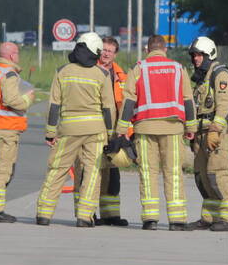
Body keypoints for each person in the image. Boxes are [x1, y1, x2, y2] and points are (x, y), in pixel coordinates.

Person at [116, 35, 198, 231]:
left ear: (147, 49)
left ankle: (150, 219)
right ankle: (177, 220)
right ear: (165, 49)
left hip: (145, 128)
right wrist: (191, 128)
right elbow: (188, 100)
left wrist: (122, 130)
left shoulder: (139, 68)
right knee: (174, 172)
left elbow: (128, 102)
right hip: (173, 128)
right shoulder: (178, 69)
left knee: (148, 173)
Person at [35, 33, 115, 227]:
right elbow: (108, 108)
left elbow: (54, 105)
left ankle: (44, 214)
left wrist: (50, 132)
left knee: (57, 170)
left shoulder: (62, 71)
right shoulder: (102, 74)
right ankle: (84, 216)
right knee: (92, 172)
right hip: (95, 131)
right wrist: (110, 134)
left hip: (68, 130)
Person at [0, 42, 35, 223]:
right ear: (11, 56)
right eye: (17, 53)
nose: (18, 57)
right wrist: (27, 98)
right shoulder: (9, 74)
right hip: (4, 129)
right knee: (2, 170)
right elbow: (12, 100)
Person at [188, 36, 228, 232]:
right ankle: (209, 217)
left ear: (209, 55)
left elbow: (224, 105)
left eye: (199, 55)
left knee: (218, 173)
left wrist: (215, 130)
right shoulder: (201, 78)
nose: (196, 59)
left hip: (216, 134)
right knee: (202, 176)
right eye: (194, 55)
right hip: (200, 133)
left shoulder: (220, 74)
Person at [95, 36, 129, 226]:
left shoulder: (121, 76)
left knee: (113, 175)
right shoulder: (91, 71)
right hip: (95, 128)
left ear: (115, 54)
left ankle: (110, 215)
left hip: (114, 131)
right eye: (104, 50)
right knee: (92, 173)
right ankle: (88, 214)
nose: (106, 53)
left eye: (110, 51)